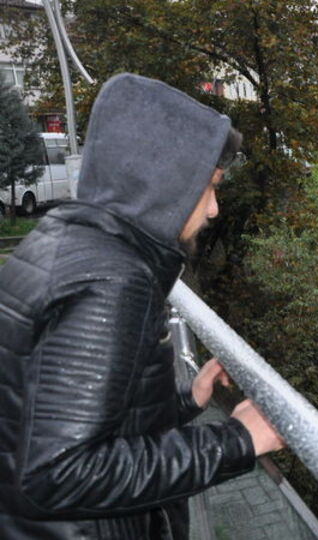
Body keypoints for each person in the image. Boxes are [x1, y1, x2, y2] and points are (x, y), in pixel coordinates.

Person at [0, 73, 284, 539]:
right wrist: (236, 441)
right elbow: (56, 474)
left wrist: (187, 399)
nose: (214, 209)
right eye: (208, 187)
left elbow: (59, 416)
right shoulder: (115, 279)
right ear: (164, 181)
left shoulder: (60, 239)